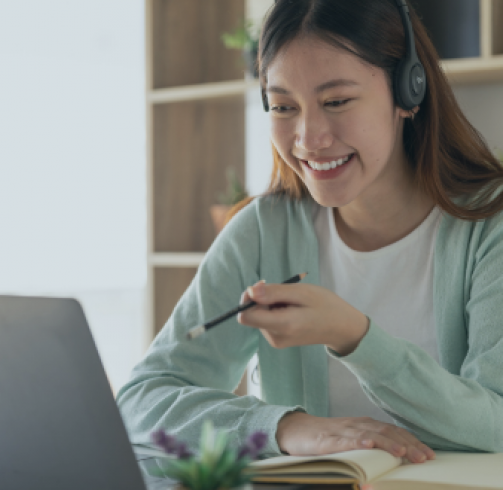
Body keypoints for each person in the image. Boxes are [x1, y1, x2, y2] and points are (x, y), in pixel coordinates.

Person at [117, 0, 503, 464]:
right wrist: (285, 428)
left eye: (336, 101)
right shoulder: (262, 232)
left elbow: (495, 423)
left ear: (408, 90)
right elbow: (140, 402)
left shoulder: (489, 229)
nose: (307, 137)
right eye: (283, 106)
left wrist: (356, 338)